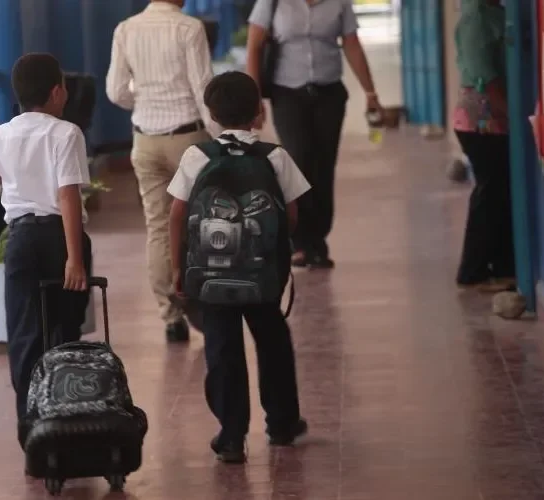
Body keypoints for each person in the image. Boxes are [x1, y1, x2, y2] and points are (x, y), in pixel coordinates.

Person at [167, 72, 310, 463]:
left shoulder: (197, 156)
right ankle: (282, 424)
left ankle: (231, 436)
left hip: (210, 277)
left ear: (211, 116)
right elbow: (292, 215)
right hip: (263, 274)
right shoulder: (274, 156)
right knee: (273, 341)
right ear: (258, 113)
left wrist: (180, 266)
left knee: (222, 349)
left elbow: (177, 215)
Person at [0, 53, 92, 453]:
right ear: (56, 92)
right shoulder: (66, 133)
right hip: (59, 238)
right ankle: (67, 416)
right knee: (65, 328)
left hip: (20, 242)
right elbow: (67, 195)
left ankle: (30, 429)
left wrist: (10, 171)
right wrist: (75, 258)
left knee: (24, 333)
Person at [106, 0, 216, 343]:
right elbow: (203, 88)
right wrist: (222, 136)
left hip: (145, 142)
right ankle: (204, 305)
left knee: (157, 226)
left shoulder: (126, 29)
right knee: (198, 222)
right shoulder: (189, 28)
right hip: (188, 140)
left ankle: (170, 317)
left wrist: (145, 101)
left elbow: (116, 91)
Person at [245, 0, 383, 269]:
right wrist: (254, 98)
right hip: (288, 94)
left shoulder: (339, 3)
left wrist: (370, 92)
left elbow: (351, 43)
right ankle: (299, 241)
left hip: (329, 95)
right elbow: (254, 45)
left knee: (323, 166)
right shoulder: (272, 2)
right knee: (298, 161)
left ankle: (318, 241)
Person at [452, 0, 516, 292]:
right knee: (490, 193)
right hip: (482, 119)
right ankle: (473, 270)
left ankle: (502, 265)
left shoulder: (496, 11)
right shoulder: (476, 15)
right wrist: (512, 115)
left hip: (492, 118)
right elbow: (485, 78)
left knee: (499, 191)